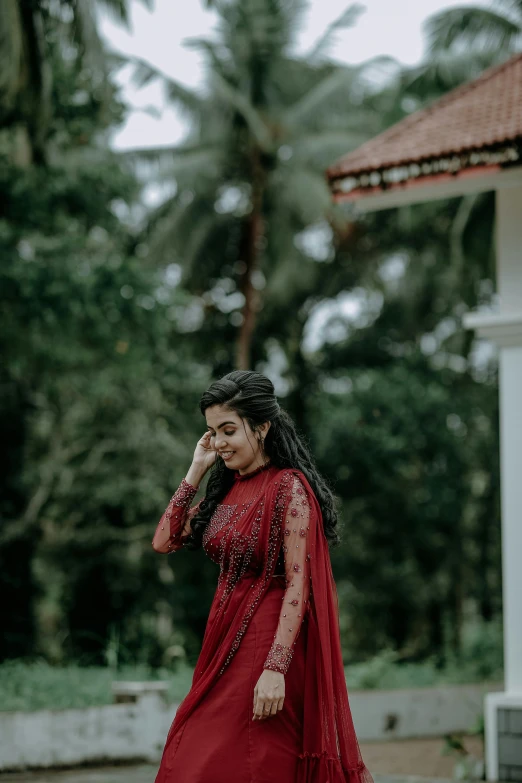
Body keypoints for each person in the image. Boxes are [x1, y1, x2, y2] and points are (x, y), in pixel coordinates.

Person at [152, 370, 374, 783]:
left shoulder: (288, 489)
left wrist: (274, 668)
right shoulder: (226, 490)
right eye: (211, 432)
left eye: (229, 430)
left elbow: (298, 584)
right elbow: (163, 540)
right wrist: (195, 471)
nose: (218, 443)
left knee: (240, 762)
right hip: (223, 641)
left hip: (268, 645)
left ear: (262, 427)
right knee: (195, 755)